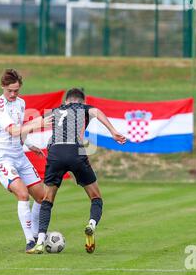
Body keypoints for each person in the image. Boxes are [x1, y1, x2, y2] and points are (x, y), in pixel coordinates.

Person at [28, 88, 127, 254]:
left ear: (66, 101)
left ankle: (39, 242)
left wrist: (26, 139)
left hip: (55, 153)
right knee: (96, 197)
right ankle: (91, 224)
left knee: (47, 199)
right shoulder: (85, 108)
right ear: (83, 101)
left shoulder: (57, 110)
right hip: (75, 152)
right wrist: (113, 131)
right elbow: (98, 112)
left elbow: (34, 123)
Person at [0, 69, 53, 253]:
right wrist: (39, 123)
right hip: (2, 156)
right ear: (2, 87)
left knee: (43, 197)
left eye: (16, 90)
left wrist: (29, 144)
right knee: (23, 194)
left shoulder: (21, 103)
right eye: (10, 90)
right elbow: (13, 130)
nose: (13, 94)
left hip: (19, 154)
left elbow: (20, 132)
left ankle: (34, 234)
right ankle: (29, 241)